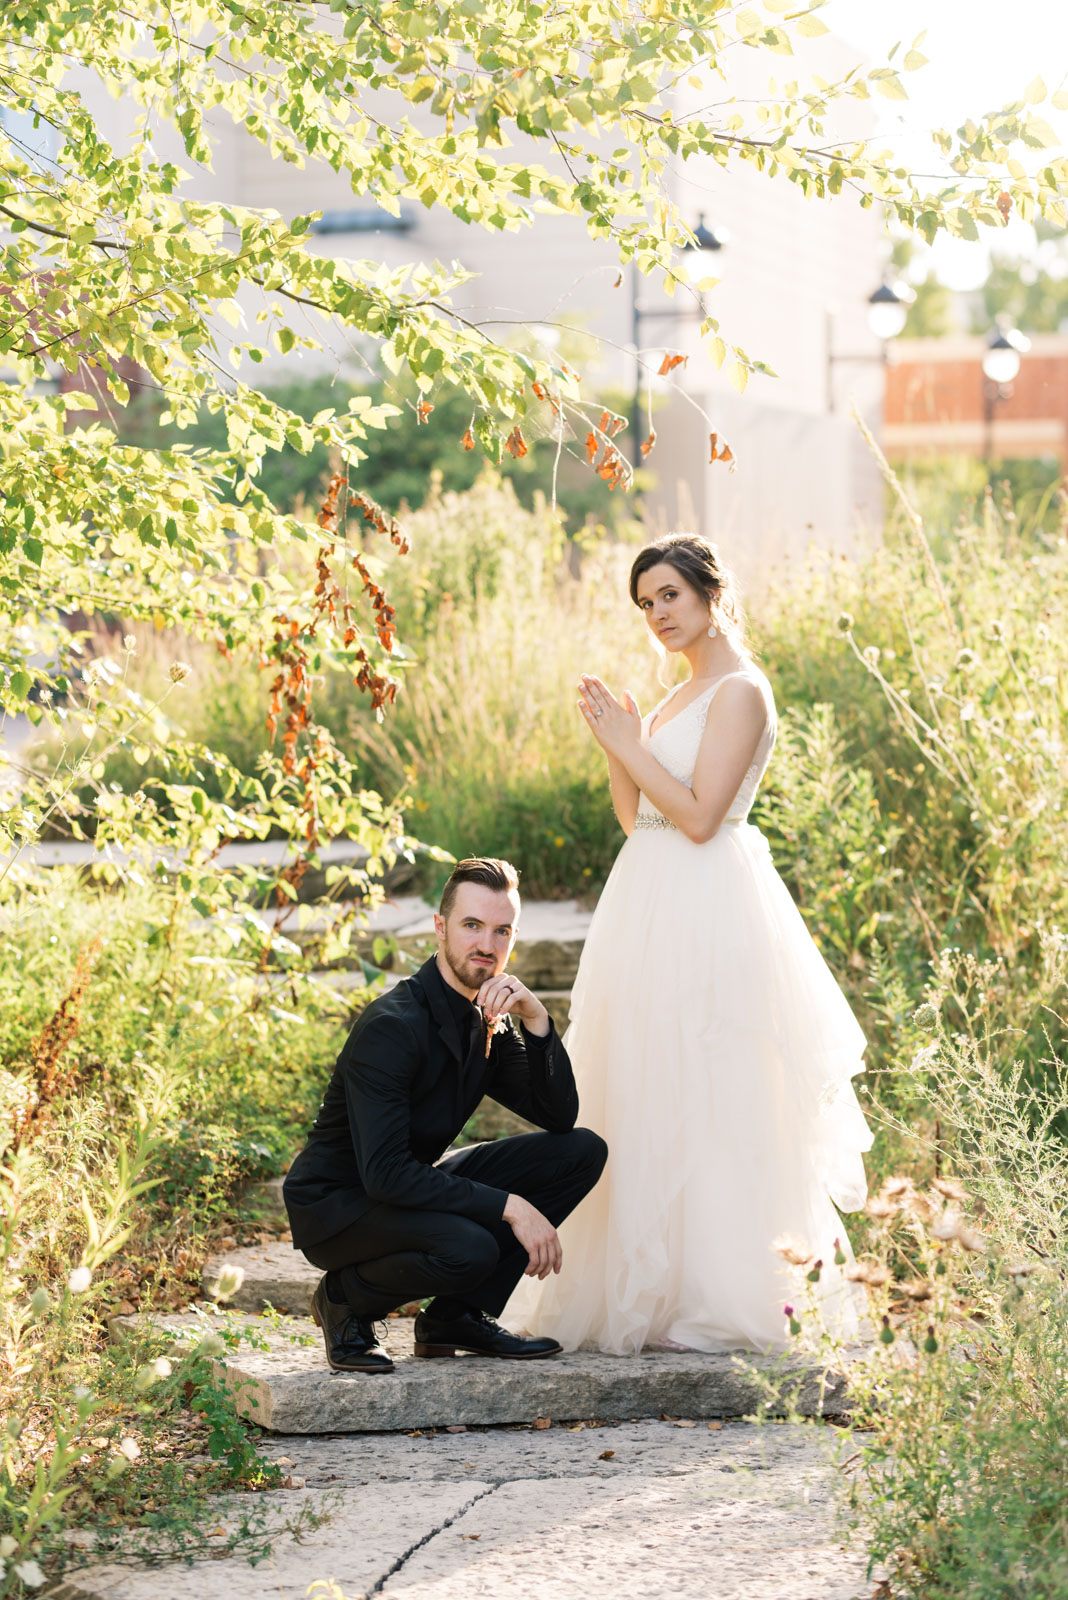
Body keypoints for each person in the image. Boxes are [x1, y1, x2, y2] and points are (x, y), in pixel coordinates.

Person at [505, 534, 872, 1354]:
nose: (657, 614)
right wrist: (618, 745)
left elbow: (703, 818)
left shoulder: (740, 692)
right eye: (644, 603)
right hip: (648, 901)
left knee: (709, 1082)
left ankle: (718, 1290)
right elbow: (640, 819)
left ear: (711, 590)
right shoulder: (675, 697)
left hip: (710, 905)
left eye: (668, 594)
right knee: (642, 1078)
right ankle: (644, 1287)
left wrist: (631, 746)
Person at [283, 856, 608, 1373]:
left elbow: (558, 1117)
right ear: (440, 927)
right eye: (472, 926)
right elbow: (384, 1173)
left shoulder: (488, 1017)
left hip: (408, 1185)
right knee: (471, 1247)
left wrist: (537, 1018)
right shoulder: (394, 1026)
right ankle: (344, 1300)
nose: (486, 945)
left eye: (502, 931)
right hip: (340, 1205)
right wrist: (513, 1207)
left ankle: (455, 1317)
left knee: (581, 1152)